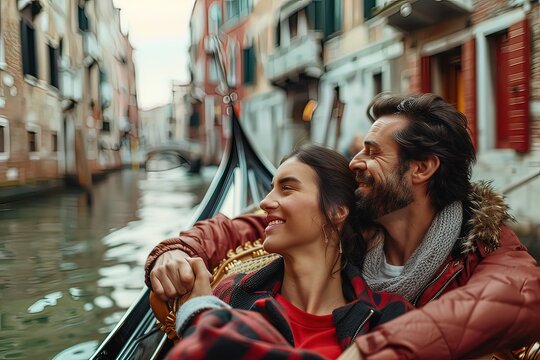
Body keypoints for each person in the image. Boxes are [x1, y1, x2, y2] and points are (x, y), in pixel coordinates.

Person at [146, 93, 540, 359]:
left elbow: (522, 296)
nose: (353, 162)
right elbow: (254, 224)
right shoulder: (357, 217)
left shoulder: (482, 243)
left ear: (421, 168)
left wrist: (374, 351)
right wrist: (177, 251)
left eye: (371, 152)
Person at [165, 145, 411, 359]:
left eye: (287, 188)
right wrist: (173, 249)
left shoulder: (389, 316)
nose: (264, 202)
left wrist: (201, 316)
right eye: (272, 187)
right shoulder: (233, 294)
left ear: (337, 211)